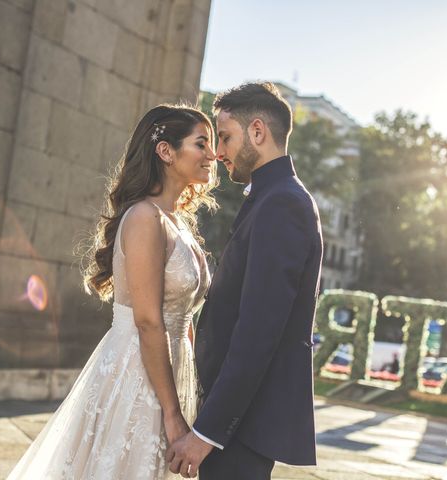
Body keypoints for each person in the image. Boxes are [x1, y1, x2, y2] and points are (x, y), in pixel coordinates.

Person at [7, 104, 216, 479]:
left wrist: (192, 390)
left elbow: (183, 315)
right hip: (138, 370)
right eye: (202, 144)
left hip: (173, 369)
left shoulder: (179, 224)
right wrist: (172, 413)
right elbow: (149, 321)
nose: (212, 155)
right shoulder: (143, 218)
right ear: (166, 151)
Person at [168, 82, 323, 479]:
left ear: (258, 131)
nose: (218, 153)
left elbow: (258, 332)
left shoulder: (282, 203)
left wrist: (206, 434)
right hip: (237, 422)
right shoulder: (270, 198)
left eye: (225, 137)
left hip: (241, 427)